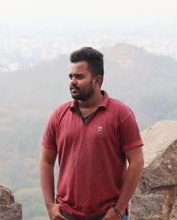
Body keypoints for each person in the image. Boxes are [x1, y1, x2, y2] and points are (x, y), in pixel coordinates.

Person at [40, 47, 144, 220]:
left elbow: (136, 161)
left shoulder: (120, 114)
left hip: (108, 215)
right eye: (71, 77)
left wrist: (119, 210)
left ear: (97, 80)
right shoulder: (59, 115)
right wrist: (50, 206)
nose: (72, 81)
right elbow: (46, 161)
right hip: (66, 215)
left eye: (79, 77)